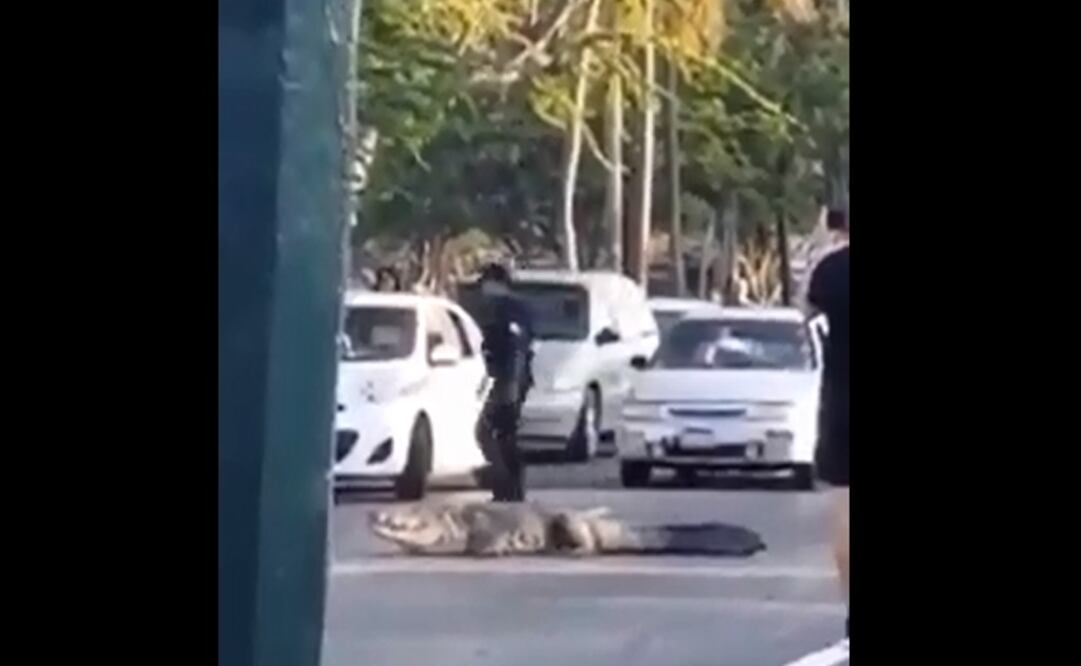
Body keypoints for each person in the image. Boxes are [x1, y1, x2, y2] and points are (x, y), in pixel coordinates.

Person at [805, 207, 850, 647]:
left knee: (845, 511)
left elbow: (809, 314)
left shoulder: (831, 270)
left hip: (842, 404)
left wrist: (824, 246)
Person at [474, 263, 534, 502]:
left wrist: (509, 384)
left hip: (509, 380)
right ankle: (508, 488)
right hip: (505, 379)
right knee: (500, 434)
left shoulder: (509, 310)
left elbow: (515, 348)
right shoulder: (501, 308)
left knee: (494, 433)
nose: (484, 289)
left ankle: (508, 486)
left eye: (487, 283)